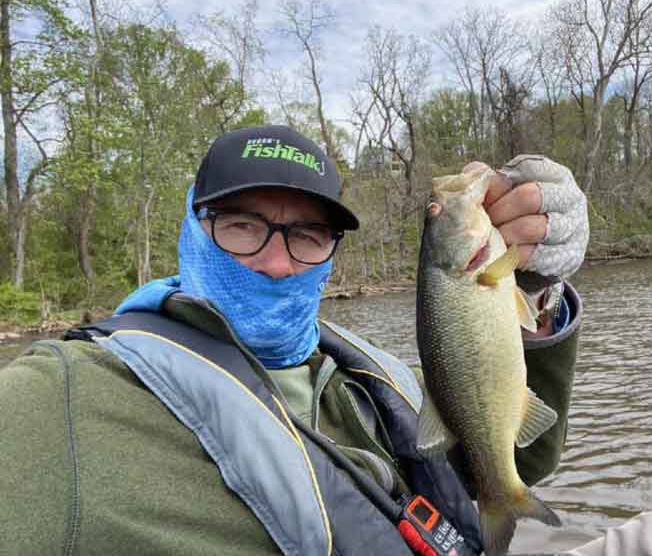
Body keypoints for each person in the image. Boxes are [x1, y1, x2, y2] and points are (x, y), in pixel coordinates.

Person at [0, 125, 589, 555]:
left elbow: (517, 460)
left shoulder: (364, 376)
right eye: (243, 226)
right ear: (193, 228)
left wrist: (536, 295)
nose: (279, 263)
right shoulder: (59, 395)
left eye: (308, 234)